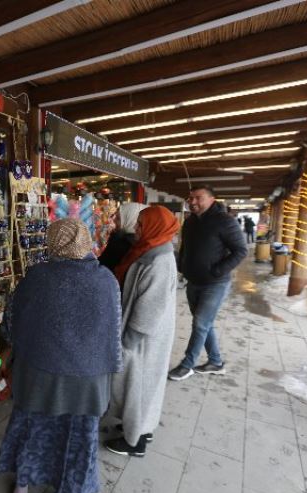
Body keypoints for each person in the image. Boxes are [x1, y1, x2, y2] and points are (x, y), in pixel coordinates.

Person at [0, 218, 122, 493]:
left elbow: (10, 326)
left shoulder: (37, 278)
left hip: (39, 379)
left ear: (52, 244)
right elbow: (113, 335)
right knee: (79, 442)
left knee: (31, 432)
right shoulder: (106, 280)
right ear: (87, 244)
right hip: (87, 383)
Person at [104, 206, 179, 457]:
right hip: (140, 334)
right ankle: (135, 427)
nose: (136, 229)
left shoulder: (159, 260)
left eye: (141, 225)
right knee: (137, 386)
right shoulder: (148, 250)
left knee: (140, 385)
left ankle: (135, 442)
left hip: (143, 338)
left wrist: (129, 340)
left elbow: (149, 308)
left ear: (154, 227)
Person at [168, 186, 247, 381]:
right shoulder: (190, 221)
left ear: (212, 199)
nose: (192, 202)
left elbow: (241, 250)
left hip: (215, 283)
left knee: (201, 323)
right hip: (193, 281)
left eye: (198, 198)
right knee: (205, 324)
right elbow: (185, 248)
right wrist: (182, 266)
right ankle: (216, 362)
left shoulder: (225, 221)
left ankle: (187, 365)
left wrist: (217, 270)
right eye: (190, 198)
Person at [97, 202, 148, 274]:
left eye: (118, 218)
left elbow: (102, 267)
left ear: (130, 220)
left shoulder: (121, 244)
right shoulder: (141, 243)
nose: (114, 220)